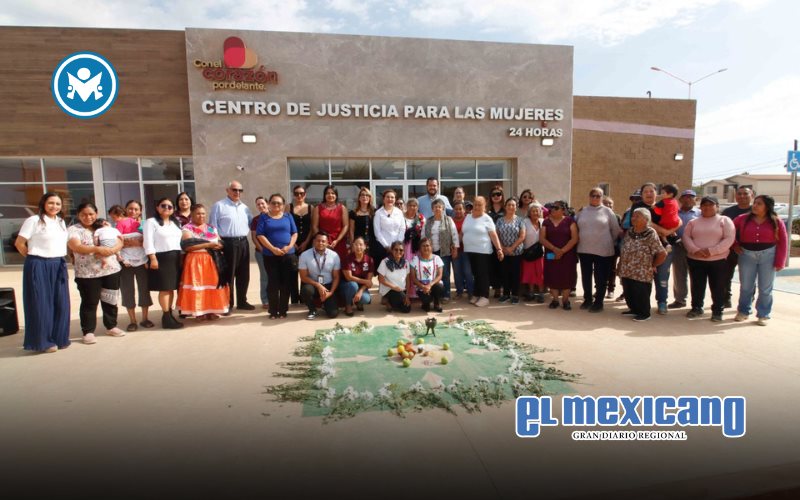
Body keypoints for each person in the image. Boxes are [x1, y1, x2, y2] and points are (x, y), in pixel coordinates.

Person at [15, 193, 70, 353]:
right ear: (43, 203)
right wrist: (33, 258)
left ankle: (59, 338)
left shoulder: (60, 222)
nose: (54, 206)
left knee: (61, 303)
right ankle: (43, 341)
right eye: (51, 203)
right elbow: (19, 243)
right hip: (39, 263)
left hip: (58, 263)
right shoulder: (33, 221)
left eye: (58, 204)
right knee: (40, 303)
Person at [67, 202, 125, 343]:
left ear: (96, 213)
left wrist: (112, 250)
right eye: (84, 214)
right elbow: (76, 246)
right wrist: (98, 249)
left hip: (110, 269)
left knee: (110, 299)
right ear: (78, 215)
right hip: (87, 273)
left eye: (91, 214)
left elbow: (120, 240)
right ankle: (88, 331)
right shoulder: (74, 229)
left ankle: (111, 326)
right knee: (89, 302)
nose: (88, 217)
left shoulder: (102, 225)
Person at [732, 195, 787, 326]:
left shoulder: (776, 221)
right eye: (755, 203)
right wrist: (735, 245)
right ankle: (743, 311)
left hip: (768, 256)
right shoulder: (742, 219)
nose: (755, 206)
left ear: (767, 206)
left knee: (765, 288)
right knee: (746, 286)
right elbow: (729, 231)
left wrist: (780, 261)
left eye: (759, 204)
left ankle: (763, 314)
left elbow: (783, 242)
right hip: (747, 255)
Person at [682, 196, 736, 322]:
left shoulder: (724, 220)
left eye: (710, 205)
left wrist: (711, 251)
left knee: (718, 286)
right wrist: (696, 250)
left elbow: (729, 238)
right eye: (704, 205)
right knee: (697, 285)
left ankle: (717, 311)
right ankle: (696, 307)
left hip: (718, 261)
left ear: (717, 207)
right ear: (700, 207)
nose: (707, 207)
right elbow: (686, 237)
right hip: (696, 259)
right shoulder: (693, 222)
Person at [176, 204, 229, 320]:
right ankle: (199, 312)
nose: (201, 216)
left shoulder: (211, 228)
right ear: (192, 215)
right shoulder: (187, 228)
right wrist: (208, 244)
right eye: (198, 213)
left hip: (212, 261)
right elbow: (187, 246)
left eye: (203, 213)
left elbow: (220, 242)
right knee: (198, 286)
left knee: (212, 286)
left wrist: (219, 245)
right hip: (196, 261)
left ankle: (212, 310)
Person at [209, 180, 255, 311]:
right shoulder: (219, 206)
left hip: (243, 243)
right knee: (229, 275)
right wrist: (217, 243)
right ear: (227, 190)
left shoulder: (245, 207)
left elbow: (252, 224)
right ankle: (228, 303)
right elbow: (212, 226)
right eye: (234, 190)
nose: (237, 192)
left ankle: (242, 301)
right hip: (227, 243)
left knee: (244, 274)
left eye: (240, 190)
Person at [631, 183, 675, 315]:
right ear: (642, 194)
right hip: (643, 247)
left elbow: (676, 219)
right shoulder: (637, 206)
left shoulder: (665, 205)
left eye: (651, 191)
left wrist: (670, 230)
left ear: (657, 193)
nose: (649, 194)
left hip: (663, 247)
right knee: (642, 277)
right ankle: (641, 305)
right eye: (646, 192)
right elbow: (644, 222)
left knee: (662, 276)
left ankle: (662, 302)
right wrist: (664, 231)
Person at [575, 187, 621, 312]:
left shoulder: (607, 212)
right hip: (584, 249)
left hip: (603, 250)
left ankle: (599, 302)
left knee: (600, 277)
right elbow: (575, 227)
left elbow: (615, 230)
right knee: (586, 276)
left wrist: (605, 241)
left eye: (598, 195)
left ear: (602, 197)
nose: (595, 198)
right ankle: (588, 299)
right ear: (589, 197)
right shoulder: (582, 211)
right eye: (593, 195)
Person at [617, 208, 667, 322]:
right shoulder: (630, 231)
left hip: (642, 270)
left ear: (646, 219)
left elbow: (662, 253)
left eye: (637, 216)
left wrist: (653, 265)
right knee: (628, 290)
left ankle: (644, 313)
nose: (633, 218)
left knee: (641, 292)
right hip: (627, 269)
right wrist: (620, 264)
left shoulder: (650, 233)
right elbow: (624, 248)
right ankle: (633, 309)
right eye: (633, 216)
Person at [144, 197, 184, 329]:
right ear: (157, 207)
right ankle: (166, 316)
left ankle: (169, 314)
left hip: (176, 257)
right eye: (163, 205)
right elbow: (148, 241)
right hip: (161, 258)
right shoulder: (151, 222)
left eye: (170, 206)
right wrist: (153, 258)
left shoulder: (175, 223)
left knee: (171, 288)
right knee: (165, 288)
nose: (167, 208)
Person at [256, 194, 298, 319]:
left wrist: (289, 246)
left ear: (283, 205)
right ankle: (273, 310)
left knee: (285, 283)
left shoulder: (288, 216)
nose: (276, 205)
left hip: (287, 255)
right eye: (273, 203)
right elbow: (260, 235)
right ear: (269, 204)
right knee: (273, 283)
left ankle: (283, 310)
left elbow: (294, 233)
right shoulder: (264, 218)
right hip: (270, 255)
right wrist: (272, 249)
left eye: (279, 203)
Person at [118, 200, 153, 331]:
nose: (133, 211)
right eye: (130, 209)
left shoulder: (144, 224)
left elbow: (148, 241)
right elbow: (118, 241)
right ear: (126, 209)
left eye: (136, 209)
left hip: (142, 261)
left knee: (144, 288)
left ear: (140, 211)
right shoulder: (121, 223)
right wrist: (134, 242)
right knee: (128, 289)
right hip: (126, 262)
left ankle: (145, 318)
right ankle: (132, 320)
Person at [462, 196, 504, 307]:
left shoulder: (487, 219)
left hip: (483, 251)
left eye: (480, 205)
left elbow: (493, 235)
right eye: (475, 204)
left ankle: (484, 297)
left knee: (483, 274)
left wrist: (499, 249)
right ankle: (476, 294)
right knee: (476, 274)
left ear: (484, 207)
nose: (477, 206)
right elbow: (463, 232)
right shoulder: (468, 217)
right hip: (470, 251)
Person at [541, 200, 579, 310]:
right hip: (550, 254)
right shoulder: (546, 222)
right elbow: (542, 238)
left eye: (556, 207)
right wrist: (554, 249)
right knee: (552, 275)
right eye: (552, 207)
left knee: (567, 276)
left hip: (567, 255)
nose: (552, 209)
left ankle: (565, 301)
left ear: (563, 210)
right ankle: (555, 300)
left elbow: (574, 238)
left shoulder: (570, 221)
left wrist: (562, 251)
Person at [722, 186, 754, 308]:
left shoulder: (756, 211)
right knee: (725, 276)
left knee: (748, 278)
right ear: (735, 196)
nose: (742, 196)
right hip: (730, 249)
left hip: (750, 250)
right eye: (739, 194)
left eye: (745, 194)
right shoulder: (728, 212)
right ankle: (725, 299)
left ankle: (747, 302)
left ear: (752, 195)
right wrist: (733, 244)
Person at [668, 190, 701, 309]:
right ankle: (680, 300)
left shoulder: (700, 214)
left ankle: (696, 302)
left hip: (696, 248)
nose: (688, 199)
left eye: (691, 197)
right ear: (680, 199)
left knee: (696, 275)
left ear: (695, 199)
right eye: (685, 197)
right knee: (679, 274)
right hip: (678, 247)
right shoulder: (674, 213)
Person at [298, 231, 341, 320]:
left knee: (333, 314)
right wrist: (318, 285)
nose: (320, 243)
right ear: (313, 241)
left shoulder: (334, 256)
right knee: (306, 290)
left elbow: (336, 277)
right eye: (318, 241)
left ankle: (325, 305)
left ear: (327, 242)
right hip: (313, 285)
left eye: (323, 241)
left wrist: (331, 292)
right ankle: (312, 309)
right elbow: (303, 277)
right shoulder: (304, 255)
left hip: (328, 286)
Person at [423, 198, 459, 302]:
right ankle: (433, 295)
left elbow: (454, 234)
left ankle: (446, 295)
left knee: (445, 274)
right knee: (431, 274)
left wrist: (455, 248)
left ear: (443, 208)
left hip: (444, 251)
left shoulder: (448, 220)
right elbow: (423, 235)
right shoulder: (428, 221)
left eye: (439, 207)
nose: (437, 209)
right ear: (432, 209)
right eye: (435, 207)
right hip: (431, 252)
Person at [495, 197, 526, 304]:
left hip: (516, 252)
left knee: (515, 274)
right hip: (503, 252)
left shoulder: (520, 220)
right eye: (509, 205)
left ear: (516, 207)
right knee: (504, 273)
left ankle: (515, 295)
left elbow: (522, 236)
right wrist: (503, 248)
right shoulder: (499, 220)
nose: (511, 207)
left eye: (513, 205)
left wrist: (511, 248)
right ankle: (506, 294)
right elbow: (496, 235)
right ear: (505, 207)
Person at [288, 185, 313, 304]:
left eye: (301, 193)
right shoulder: (289, 207)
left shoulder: (311, 208)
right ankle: (294, 298)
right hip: (292, 244)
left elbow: (313, 228)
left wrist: (306, 242)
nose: (299, 196)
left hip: (307, 244)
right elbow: (286, 226)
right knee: (292, 271)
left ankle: (304, 297)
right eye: (297, 193)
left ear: (305, 195)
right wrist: (292, 243)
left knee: (306, 271)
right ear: (294, 194)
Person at [312, 185, 349, 263]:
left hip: (339, 241)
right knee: (323, 265)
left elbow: (346, 226)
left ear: (336, 195)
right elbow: (314, 226)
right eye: (327, 193)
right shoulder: (318, 208)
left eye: (333, 193)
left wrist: (337, 240)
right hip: (322, 242)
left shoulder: (342, 208)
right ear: (324, 195)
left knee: (340, 265)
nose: (330, 195)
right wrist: (322, 241)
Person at [341, 236, 374, 316]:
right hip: (347, 285)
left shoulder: (370, 260)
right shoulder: (347, 258)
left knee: (366, 299)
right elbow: (349, 277)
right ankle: (348, 305)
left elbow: (369, 279)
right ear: (353, 246)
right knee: (353, 285)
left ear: (365, 246)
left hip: (361, 287)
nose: (358, 247)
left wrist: (360, 291)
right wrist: (365, 281)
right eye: (356, 244)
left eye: (361, 244)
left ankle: (358, 302)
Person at [411, 238, 445, 312]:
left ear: (431, 247)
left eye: (427, 245)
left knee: (439, 286)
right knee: (426, 302)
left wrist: (430, 285)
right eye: (423, 246)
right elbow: (413, 278)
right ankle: (425, 304)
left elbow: (439, 275)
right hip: (421, 287)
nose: (426, 248)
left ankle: (437, 303)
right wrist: (423, 286)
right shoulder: (415, 259)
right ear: (419, 248)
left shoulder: (437, 258)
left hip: (433, 285)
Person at [377, 240, 412, 313]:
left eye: (401, 250)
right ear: (392, 250)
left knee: (407, 309)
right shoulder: (385, 262)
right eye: (396, 249)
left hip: (401, 290)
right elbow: (380, 279)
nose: (398, 251)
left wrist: (407, 296)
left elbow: (407, 280)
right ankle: (386, 300)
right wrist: (394, 287)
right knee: (400, 299)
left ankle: (393, 303)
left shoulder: (406, 263)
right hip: (389, 289)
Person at [373, 188, 405, 265]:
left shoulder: (399, 212)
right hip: (383, 248)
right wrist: (387, 246)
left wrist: (398, 244)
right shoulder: (378, 213)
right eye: (387, 197)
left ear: (395, 199)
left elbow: (402, 229)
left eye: (392, 197)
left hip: (398, 249)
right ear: (383, 199)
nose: (390, 199)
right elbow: (377, 232)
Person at [521, 203, 545, 302]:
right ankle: (531, 292)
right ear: (529, 213)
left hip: (540, 253)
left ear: (540, 212)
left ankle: (541, 293)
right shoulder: (525, 222)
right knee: (529, 273)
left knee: (540, 273)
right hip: (528, 252)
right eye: (533, 211)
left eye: (537, 211)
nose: (535, 213)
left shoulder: (543, 222)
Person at [450, 201, 474, 300]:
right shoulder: (450, 220)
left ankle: (471, 292)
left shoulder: (468, 219)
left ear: (464, 210)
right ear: (453, 210)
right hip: (455, 250)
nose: (458, 211)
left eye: (460, 209)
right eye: (456, 209)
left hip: (467, 250)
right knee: (457, 272)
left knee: (468, 272)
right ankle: (459, 291)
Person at [250, 196, 270, 309]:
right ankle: (265, 299)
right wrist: (263, 249)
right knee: (264, 276)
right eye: (258, 204)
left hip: (274, 252)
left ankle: (276, 298)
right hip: (261, 252)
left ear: (267, 203)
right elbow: (254, 237)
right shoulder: (255, 220)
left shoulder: (273, 216)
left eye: (262, 203)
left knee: (275, 276)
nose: (261, 206)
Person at [487, 185, 506, 297]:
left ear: (502, 196)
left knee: (502, 266)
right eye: (493, 194)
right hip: (489, 243)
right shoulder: (487, 209)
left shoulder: (506, 209)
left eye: (498, 194)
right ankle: (496, 287)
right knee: (492, 266)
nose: (496, 196)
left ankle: (502, 288)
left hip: (502, 242)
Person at [601, 196, 621, 299]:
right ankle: (599, 289)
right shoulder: (598, 216)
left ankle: (611, 290)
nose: (608, 205)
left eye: (610, 204)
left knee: (612, 269)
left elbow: (618, 231)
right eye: (606, 203)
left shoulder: (616, 216)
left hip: (613, 246)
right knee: (599, 269)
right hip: (600, 247)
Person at [349, 187, 374, 252]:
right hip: (358, 245)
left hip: (372, 244)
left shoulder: (374, 212)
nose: (364, 197)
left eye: (367, 195)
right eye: (362, 195)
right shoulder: (353, 213)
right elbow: (351, 230)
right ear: (359, 198)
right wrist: (352, 244)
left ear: (370, 198)